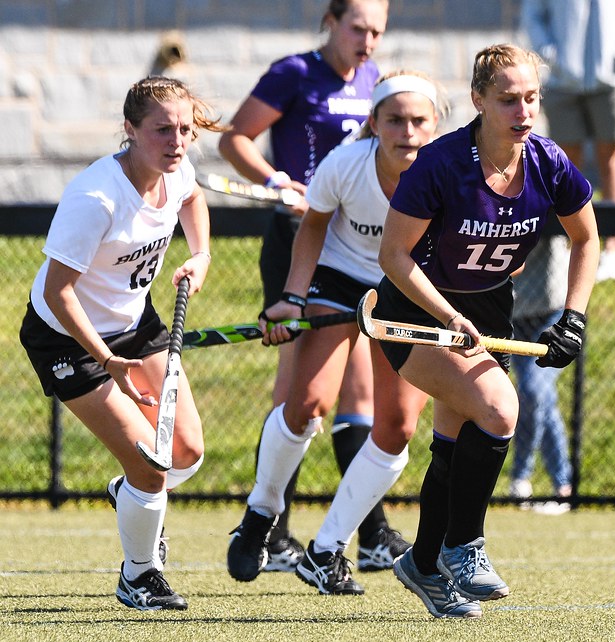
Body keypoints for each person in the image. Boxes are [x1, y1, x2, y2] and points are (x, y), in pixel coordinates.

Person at [376, 43, 600, 619]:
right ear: (478, 100)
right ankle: (463, 547)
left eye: (531, 98)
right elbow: (394, 256)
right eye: (507, 100)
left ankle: (423, 564)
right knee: (500, 410)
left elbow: (586, 239)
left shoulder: (547, 163)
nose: (523, 111)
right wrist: (449, 317)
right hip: (415, 312)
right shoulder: (441, 164)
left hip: (488, 312)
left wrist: (572, 316)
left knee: (454, 445)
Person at [226, 71, 443, 595]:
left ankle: (326, 551)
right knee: (307, 405)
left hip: (407, 289)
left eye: (419, 121)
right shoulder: (345, 164)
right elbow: (314, 228)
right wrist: (294, 299)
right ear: (373, 123)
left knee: (397, 429)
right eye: (394, 120)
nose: (407, 132)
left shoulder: (450, 174)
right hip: (339, 277)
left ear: (436, 126)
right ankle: (262, 513)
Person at [19, 76, 220, 610]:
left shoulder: (177, 174)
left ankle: (129, 492)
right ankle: (138, 575)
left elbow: (193, 198)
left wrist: (200, 255)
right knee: (153, 463)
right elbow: (60, 292)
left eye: (183, 129)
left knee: (187, 452)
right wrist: (106, 360)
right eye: (161, 130)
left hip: (135, 324)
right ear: (130, 130)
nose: (176, 142)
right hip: (68, 336)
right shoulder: (95, 197)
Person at [521, 0, 615, 281]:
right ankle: (571, 247)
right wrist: (552, 57)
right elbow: (534, 16)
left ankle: (614, 250)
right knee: (566, 163)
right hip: (562, 83)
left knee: (612, 157)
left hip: (614, 81)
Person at [508, 234, 574, 514]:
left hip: (550, 311)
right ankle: (563, 487)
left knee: (535, 391)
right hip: (513, 311)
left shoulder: (547, 193)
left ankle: (524, 476)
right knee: (540, 397)